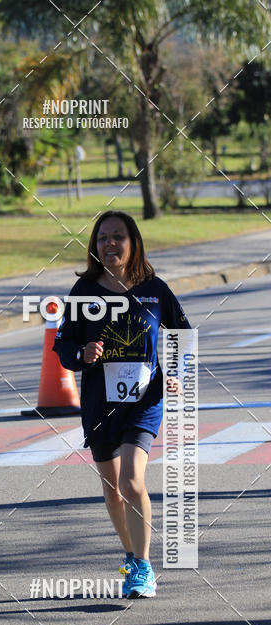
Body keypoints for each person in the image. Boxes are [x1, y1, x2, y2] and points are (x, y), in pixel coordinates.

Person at [53, 211, 191, 599]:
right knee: (113, 489)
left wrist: (177, 372)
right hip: (100, 403)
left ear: (133, 243)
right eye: (102, 238)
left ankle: (144, 567)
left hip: (145, 399)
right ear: (94, 247)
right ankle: (130, 555)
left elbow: (182, 332)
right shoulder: (83, 291)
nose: (110, 244)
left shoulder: (154, 288)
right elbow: (63, 345)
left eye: (118, 237)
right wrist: (83, 352)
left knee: (132, 480)